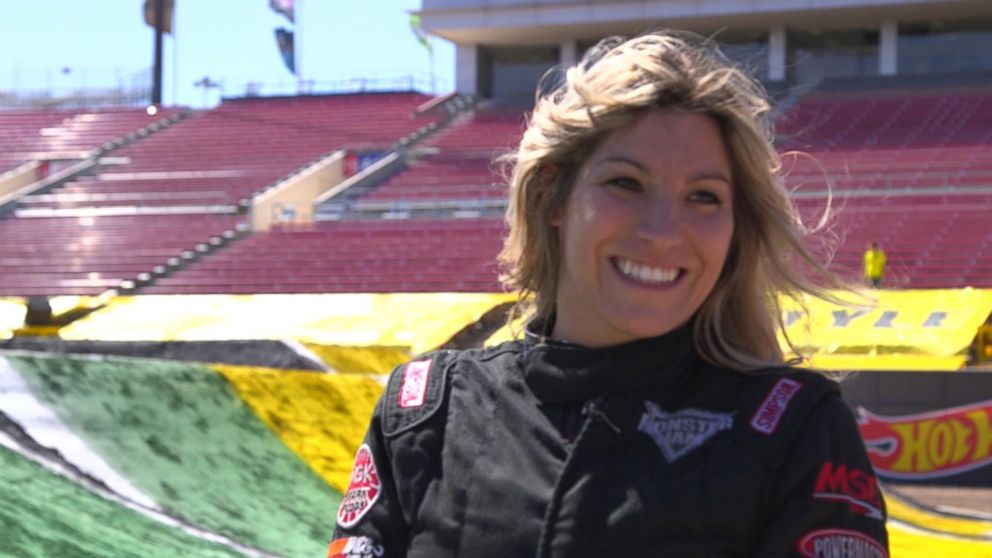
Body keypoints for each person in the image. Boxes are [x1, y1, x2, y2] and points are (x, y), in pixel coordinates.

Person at [329, 31, 889, 558]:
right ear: (553, 197)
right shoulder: (427, 409)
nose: (664, 231)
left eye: (703, 196)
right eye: (626, 183)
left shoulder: (797, 426)